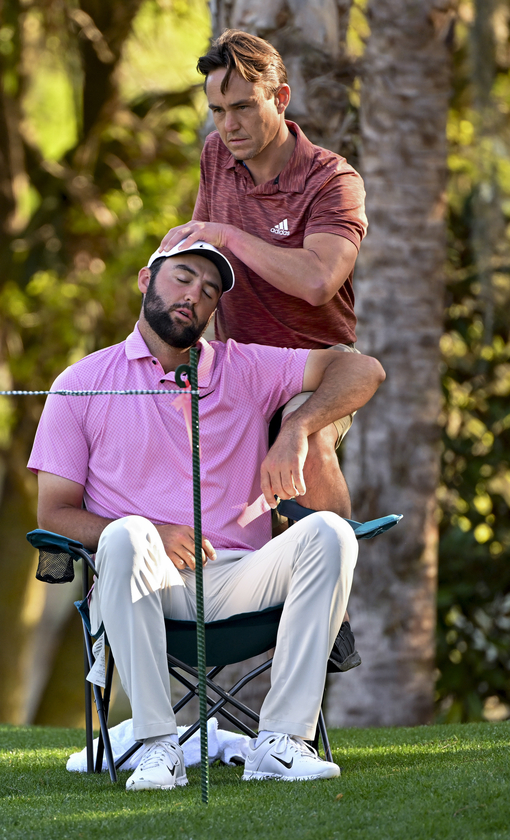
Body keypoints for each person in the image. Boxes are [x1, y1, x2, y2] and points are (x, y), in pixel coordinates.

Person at [28, 239, 385, 791]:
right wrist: (153, 534)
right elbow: (53, 515)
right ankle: (157, 746)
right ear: (147, 280)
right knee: (125, 536)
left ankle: (282, 741)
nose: (193, 295)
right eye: (182, 277)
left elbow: (361, 371)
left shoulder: (247, 367)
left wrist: (296, 428)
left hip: (240, 574)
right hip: (142, 581)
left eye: (209, 290)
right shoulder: (81, 382)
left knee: (332, 533)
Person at [160, 30, 368, 666]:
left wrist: (225, 232)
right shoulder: (214, 158)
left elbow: (317, 281)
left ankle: (332, 616)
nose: (229, 125)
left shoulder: (333, 179)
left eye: (243, 107)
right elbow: (204, 256)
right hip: (236, 367)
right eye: (217, 111)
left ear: (280, 97)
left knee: (303, 441)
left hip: (315, 370)